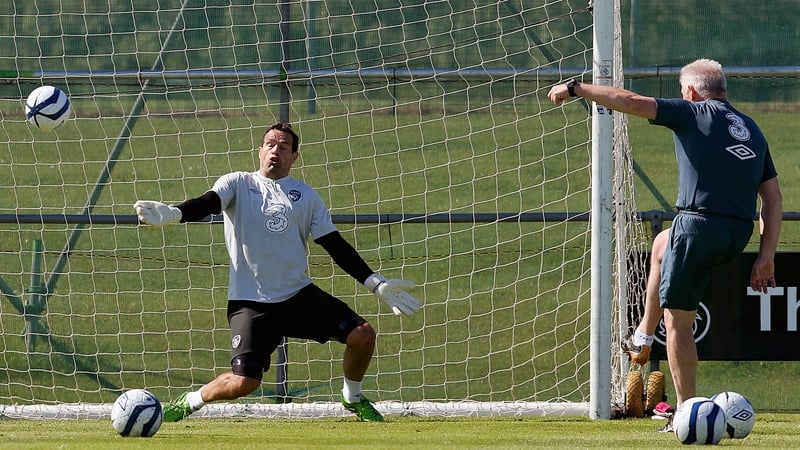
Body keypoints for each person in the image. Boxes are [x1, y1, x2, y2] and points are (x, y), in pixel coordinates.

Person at [134, 121, 421, 423]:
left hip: (298, 296)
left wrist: (377, 284)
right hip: (250, 302)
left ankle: (352, 397)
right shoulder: (238, 183)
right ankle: (190, 401)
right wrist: (175, 213)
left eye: (284, 147)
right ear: (259, 151)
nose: (276, 150)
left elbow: (334, 244)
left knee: (363, 336)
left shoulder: (306, 196)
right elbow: (208, 203)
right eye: (270, 144)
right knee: (244, 382)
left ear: (294, 157)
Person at [548, 59, 782, 411]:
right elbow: (773, 199)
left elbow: (628, 101)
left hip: (698, 228)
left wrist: (577, 88)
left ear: (690, 92)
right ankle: (643, 335)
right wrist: (766, 256)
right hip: (736, 233)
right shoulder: (751, 127)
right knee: (661, 243)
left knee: (679, 324)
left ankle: (687, 412)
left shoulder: (694, 111)